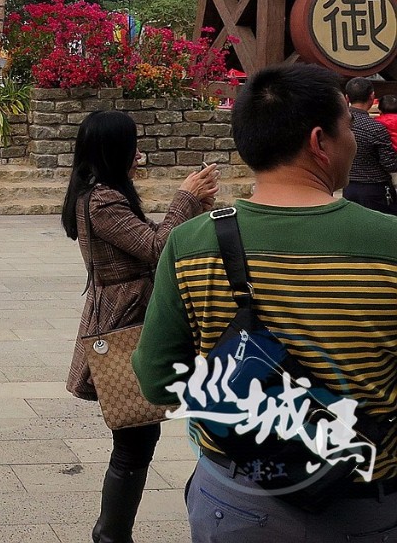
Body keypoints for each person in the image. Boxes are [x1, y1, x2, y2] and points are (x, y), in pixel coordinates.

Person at [135, 64, 397, 539]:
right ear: (320, 141)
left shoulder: (192, 242)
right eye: (348, 129)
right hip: (363, 503)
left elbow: (156, 379)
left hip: (235, 500)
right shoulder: (390, 242)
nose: (354, 141)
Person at [61, 109, 218, 543]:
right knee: (133, 440)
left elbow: (151, 240)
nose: (139, 155)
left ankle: (113, 533)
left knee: (138, 439)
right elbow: (156, 246)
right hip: (123, 324)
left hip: (132, 314)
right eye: (132, 146)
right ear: (114, 150)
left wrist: (196, 206)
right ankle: (111, 535)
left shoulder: (102, 193)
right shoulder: (101, 199)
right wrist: (184, 198)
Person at [342, 77, 397, 214]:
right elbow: (390, 164)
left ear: (347, 98)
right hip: (375, 189)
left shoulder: (338, 125)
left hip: (348, 187)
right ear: (372, 96)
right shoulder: (375, 128)